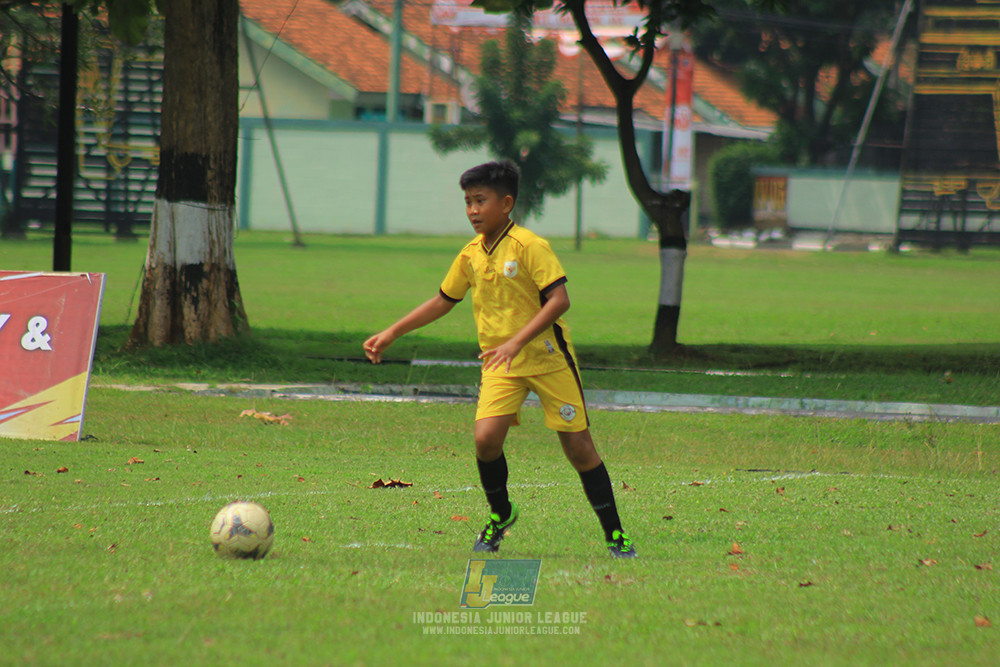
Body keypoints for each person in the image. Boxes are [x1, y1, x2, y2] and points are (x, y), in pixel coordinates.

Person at [363, 160, 636, 558]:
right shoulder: (471, 253)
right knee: (486, 439)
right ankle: (501, 513)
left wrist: (516, 341)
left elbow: (559, 300)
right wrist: (392, 332)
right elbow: (444, 300)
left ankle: (616, 534)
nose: (473, 210)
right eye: (468, 202)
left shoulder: (530, 246)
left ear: (506, 203)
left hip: (548, 360)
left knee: (579, 449)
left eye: (481, 201)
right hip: (501, 365)